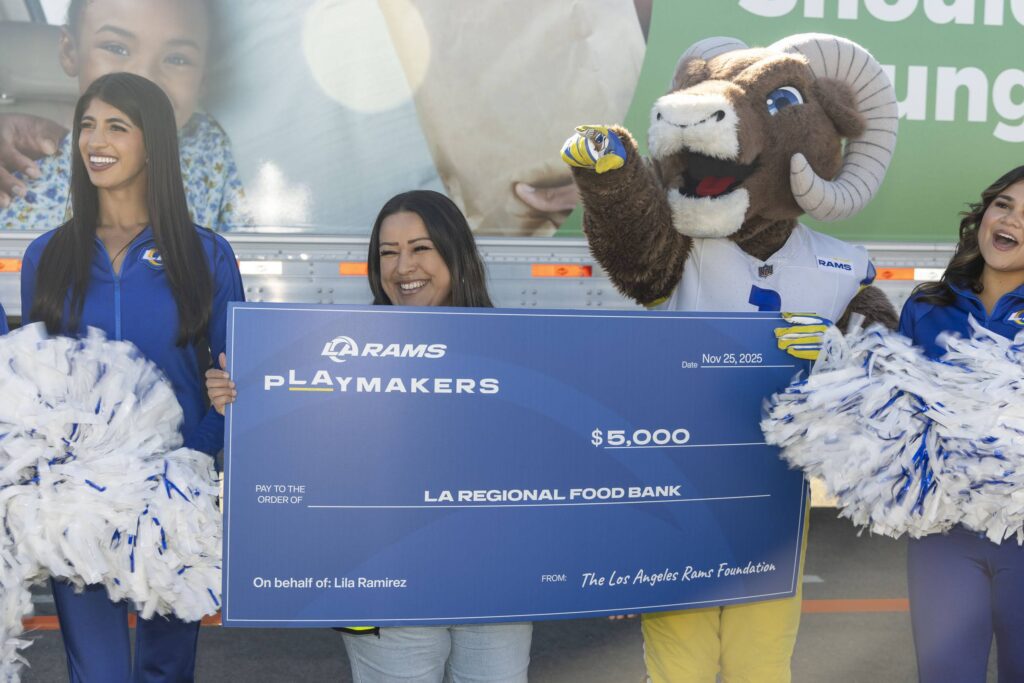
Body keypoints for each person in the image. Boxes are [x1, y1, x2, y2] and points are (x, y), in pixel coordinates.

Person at [206, 189, 533, 683]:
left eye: (420, 248)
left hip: (494, 582)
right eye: (387, 252)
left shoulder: (521, 351)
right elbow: (303, 452)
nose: (403, 266)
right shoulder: (341, 356)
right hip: (386, 586)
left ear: (455, 253)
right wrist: (242, 399)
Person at [20, 71, 244, 682]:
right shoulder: (46, 255)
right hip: (77, 498)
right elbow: (32, 385)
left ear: (154, 144)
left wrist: (191, 461)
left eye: (117, 125)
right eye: (87, 125)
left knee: (165, 671)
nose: (96, 139)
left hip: (175, 490)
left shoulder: (208, 254)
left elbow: (230, 384)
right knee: (96, 673)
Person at [898, 164, 1024, 682]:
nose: (1012, 219)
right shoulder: (928, 306)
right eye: (1006, 205)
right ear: (985, 213)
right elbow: (897, 417)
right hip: (943, 537)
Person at [0, 0, 246, 231]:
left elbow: (249, 248)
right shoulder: (23, 178)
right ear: (69, 51)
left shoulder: (209, 144)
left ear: (203, 79)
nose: (144, 79)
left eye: (177, 59)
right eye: (116, 47)